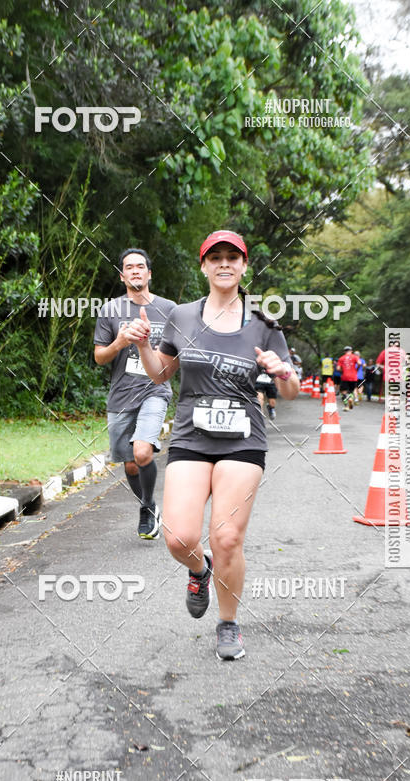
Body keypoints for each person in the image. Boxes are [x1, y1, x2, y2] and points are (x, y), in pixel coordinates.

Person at [124, 230, 299, 660]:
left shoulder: (264, 323)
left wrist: (281, 372)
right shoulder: (183, 317)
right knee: (179, 537)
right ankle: (199, 572)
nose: (224, 264)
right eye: (215, 257)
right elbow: (160, 375)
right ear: (203, 266)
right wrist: (145, 345)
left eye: (232, 257)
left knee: (225, 537)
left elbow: (292, 389)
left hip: (243, 441)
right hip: (191, 437)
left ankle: (228, 623)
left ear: (243, 266)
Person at [94, 248, 176, 539]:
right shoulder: (110, 311)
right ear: (122, 275)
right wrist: (118, 343)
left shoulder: (169, 310)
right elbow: (99, 357)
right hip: (121, 395)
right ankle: (148, 504)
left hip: (154, 390)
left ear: (149, 273)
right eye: (129, 267)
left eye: (141, 266)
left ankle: (147, 508)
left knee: (142, 451)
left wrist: (155, 356)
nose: (136, 271)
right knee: (129, 463)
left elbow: (179, 352)